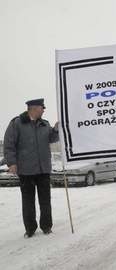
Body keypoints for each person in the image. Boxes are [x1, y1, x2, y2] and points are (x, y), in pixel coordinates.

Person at [4, 98, 59, 238]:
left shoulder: (44, 124)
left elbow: (52, 138)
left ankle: (46, 226)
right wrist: (12, 163)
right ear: (33, 108)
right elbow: (9, 145)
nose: (44, 110)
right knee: (28, 201)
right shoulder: (17, 123)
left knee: (45, 200)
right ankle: (30, 229)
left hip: (43, 169)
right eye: (42, 108)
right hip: (26, 170)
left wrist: (56, 130)